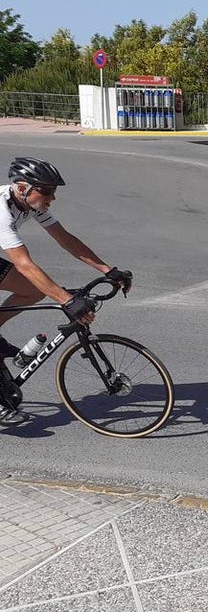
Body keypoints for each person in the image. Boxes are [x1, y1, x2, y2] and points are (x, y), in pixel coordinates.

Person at [0, 157, 132, 425]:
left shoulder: (30, 204)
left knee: (33, 291)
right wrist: (66, 300)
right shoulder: (1, 209)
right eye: (46, 191)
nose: (52, 197)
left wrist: (108, 270)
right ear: (23, 187)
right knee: (36, 283)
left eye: (53, 191)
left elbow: (65, 239)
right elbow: (24, 264)